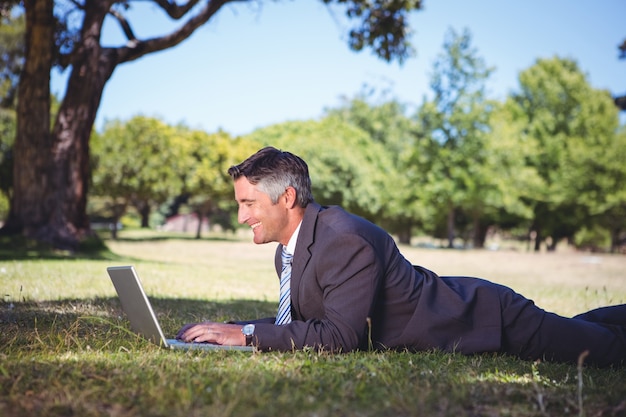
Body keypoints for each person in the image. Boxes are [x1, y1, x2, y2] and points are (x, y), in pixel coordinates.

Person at [177, 146, 626, 367]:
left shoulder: (344, 237)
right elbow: (303, 321)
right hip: (471, 309)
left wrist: (248, 335)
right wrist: (228, 330)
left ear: (286, 197)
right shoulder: (289, 252)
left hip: (486, 319)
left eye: (248, 204)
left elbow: (338, 337)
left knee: (604, 350)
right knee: (585, 326)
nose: (241, 216)